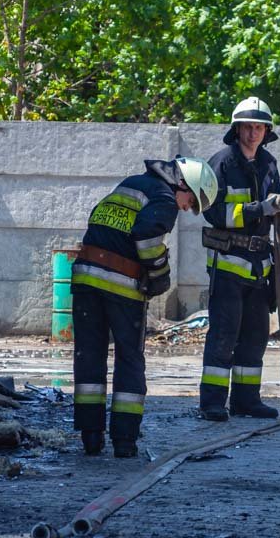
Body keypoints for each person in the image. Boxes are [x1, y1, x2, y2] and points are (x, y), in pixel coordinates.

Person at [71, 157, 219, 458]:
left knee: (89, 355)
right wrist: (160, 277)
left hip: (85, 278)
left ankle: (91, 437)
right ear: (183, 184)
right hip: (120, 286)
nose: (185, 208)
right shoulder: (163, 198)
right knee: (130, 359)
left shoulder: (131, 184)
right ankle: (125, 440)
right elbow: (147, 238)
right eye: (191, 201)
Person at [199, 97, 280, 422]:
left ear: (267, 131)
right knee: (223, 335)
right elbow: (212, 212)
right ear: (237, 129)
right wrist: (256, 209)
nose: (253, 133)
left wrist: (278, 205)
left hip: (259, 266)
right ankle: (211, 402)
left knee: (255, 336)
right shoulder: (220, 163)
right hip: (228, 266)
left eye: (259, 127)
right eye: (247, 127)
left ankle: (246, 400)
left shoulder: (269, 164)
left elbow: (274, 204)